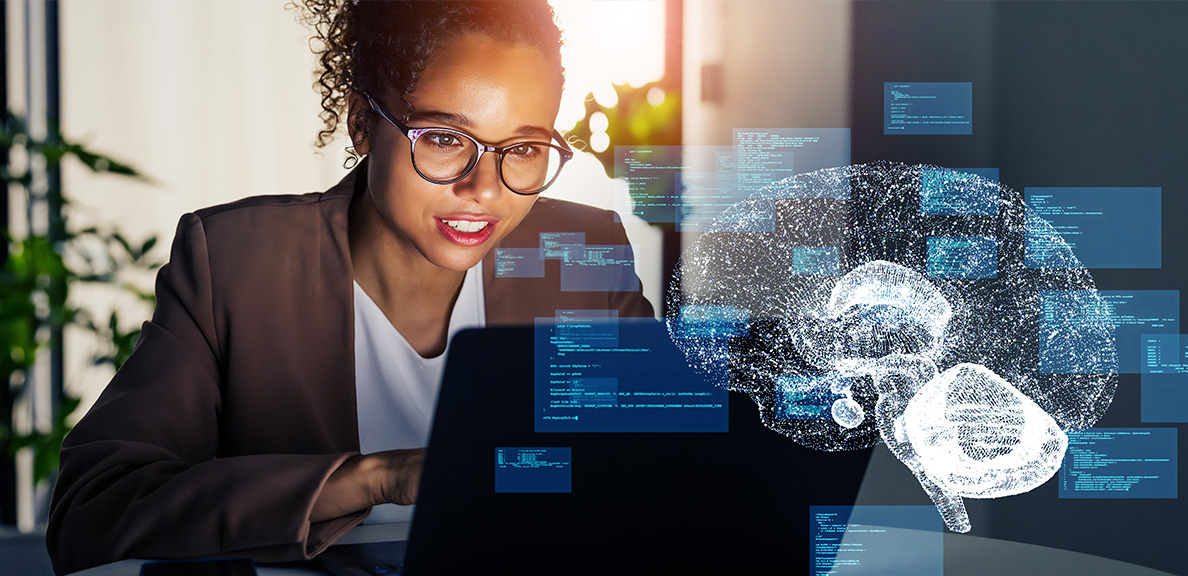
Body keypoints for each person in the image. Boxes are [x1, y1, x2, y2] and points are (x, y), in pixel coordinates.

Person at [46, 1, 653, 573]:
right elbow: (91, 515)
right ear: (363, 125)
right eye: (443, 138)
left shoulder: (581, 256)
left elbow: (673, 474)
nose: (485, 189)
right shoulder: (236, 264)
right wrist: (378, 477)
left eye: (522, 148)